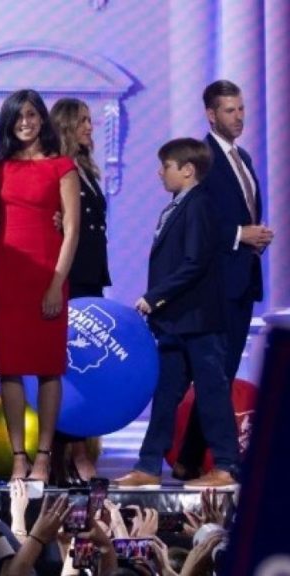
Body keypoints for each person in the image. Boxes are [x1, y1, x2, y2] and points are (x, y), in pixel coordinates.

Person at [115, 138, 238, 490]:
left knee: (212, 393)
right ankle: (149, 465)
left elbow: (195, 262)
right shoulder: (178, 206)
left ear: (188, 170)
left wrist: (154, 297)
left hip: (199, 321)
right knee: (165, 394)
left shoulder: (199, 205)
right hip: (175, 323)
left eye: (166, 166)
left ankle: (226, 466)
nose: (160, 172)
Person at [174, 80, 275, 481]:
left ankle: (189, 458)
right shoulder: (202, 160)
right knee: (213, 375)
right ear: (211, 114)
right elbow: (192, 221)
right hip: (213, 284)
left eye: (241, 109)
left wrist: (254, 239)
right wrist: (239, 235)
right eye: (230, 110)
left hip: (241, 279)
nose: (239, 117)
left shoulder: (243, 157)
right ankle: (221, 461)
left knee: (223, 374)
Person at [0, 89, 80, 482]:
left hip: (47, 274)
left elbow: (72, 231)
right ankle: (18, 457)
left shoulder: (62, 166)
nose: (25, 123)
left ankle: (43, 456)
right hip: (7, 277)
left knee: (48, 368)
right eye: (17, 117)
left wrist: (56, 283)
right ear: (8, 123)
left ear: (42, 119)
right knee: (9, 368)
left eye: (31, 115)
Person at [49, 97, 110, 485]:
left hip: (90, 276)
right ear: (67, 126)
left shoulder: (85, 168)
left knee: (85, 366)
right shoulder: (56, 167)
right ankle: (69, 453)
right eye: (83, 121)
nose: (90, 126)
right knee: (65, 367)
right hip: (69, 276)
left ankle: (71, 452)